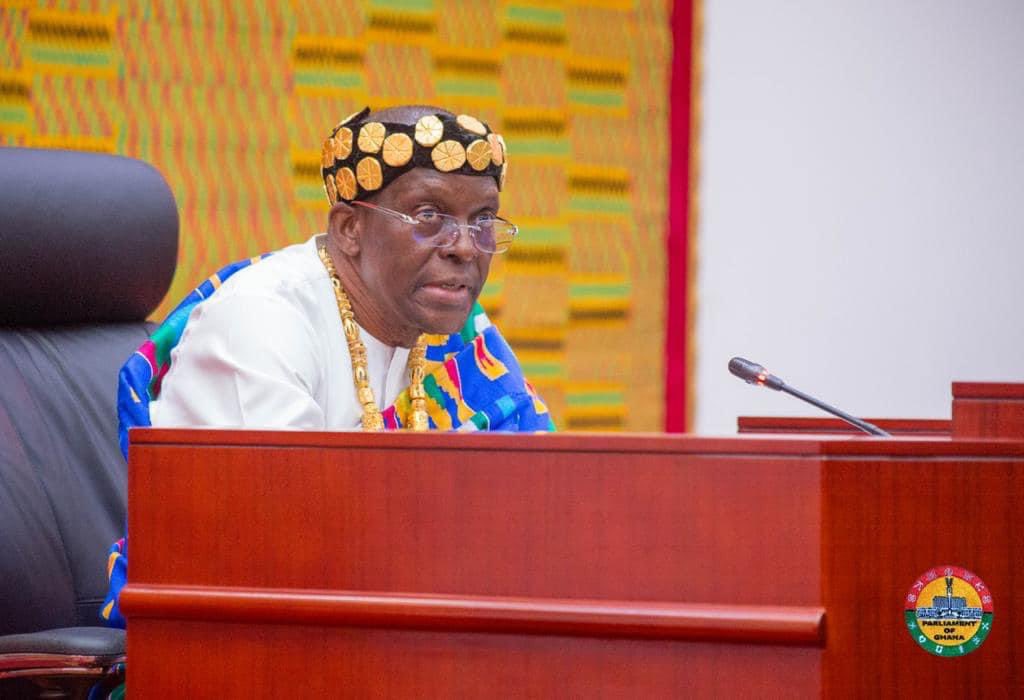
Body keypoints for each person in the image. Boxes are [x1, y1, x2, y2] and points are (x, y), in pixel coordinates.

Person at [101, 105, 554, 627]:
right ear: (349, 229)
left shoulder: (456, 335)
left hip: (394, 630)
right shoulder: (259, 320)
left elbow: (538, 507)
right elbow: (290, 555)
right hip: (234, 645)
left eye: (482, 222)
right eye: (429, 217)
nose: (464, 248)